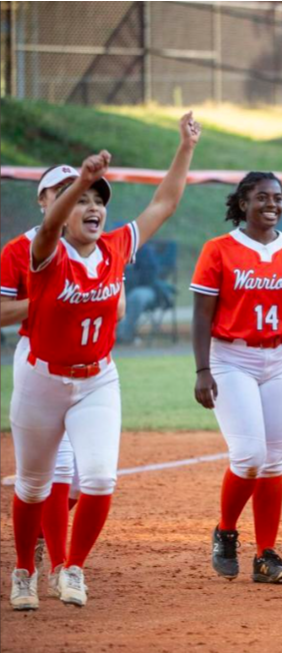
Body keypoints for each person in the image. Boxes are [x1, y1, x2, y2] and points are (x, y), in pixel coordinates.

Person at [8, 112, 201, 611]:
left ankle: (71, 568)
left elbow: (165, 202)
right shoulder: (43, 252)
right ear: (59, 206)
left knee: (98, 479)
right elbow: (51, 226)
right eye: (83, 200)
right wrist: (83, 179)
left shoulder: (116, 246)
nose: (93, 207)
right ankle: (25, 571)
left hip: (97, 379)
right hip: (42, 379)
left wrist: (185, 147)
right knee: (33, 484)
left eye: (98, 202)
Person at [191, 172, 282, 586]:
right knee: (250, 458)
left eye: (278, 198)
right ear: (243, 203)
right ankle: (226, 529)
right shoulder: (219, 249)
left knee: (274, 463)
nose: (272, 203)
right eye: (262, 197)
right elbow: (201, 314)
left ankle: (266, 555)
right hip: (232, 359)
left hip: (280, 359)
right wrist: (202, 369)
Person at [1, 165, 117, 602]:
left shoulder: (96, 247)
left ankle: (63, 565)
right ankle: (33, 565)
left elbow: (116, 305)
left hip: (89, 367)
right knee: (48, 475)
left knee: (81, 475)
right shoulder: (20, 250)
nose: (75, 199)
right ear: (43, 199)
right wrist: (49, 302)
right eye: (61, 191)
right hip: (38, 364)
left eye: (85, 193)